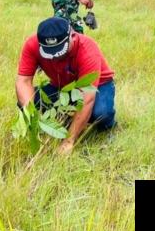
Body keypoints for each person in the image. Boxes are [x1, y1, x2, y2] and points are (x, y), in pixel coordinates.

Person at [16, 17, 116, 154]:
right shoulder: (32, 44)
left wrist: (68, 142)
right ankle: (69, 120)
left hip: (98, 86)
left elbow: (87, 98)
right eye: (50, 53)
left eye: (59, 50)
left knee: (101, 113)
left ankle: (105, 126)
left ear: (72, 36)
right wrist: (31, 115)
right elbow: (24, 81)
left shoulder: (87, 48)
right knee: (28, 100)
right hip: (61, 86)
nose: (55, 57)